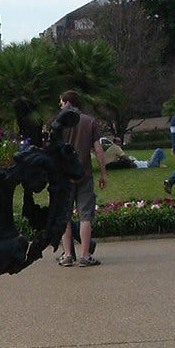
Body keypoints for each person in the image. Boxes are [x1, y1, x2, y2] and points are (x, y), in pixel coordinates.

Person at [57, 90, 107, 267]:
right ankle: (85, 255)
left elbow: (53, 151)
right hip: (84, 174)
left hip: (64, 176)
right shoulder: (89, 121)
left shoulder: (59, 123)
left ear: (68, 102)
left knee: (65, 216)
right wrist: (103, 173)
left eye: (61, 102)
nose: (60, 106)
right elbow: (98, 149)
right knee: (85, 215)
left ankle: (68, 254)